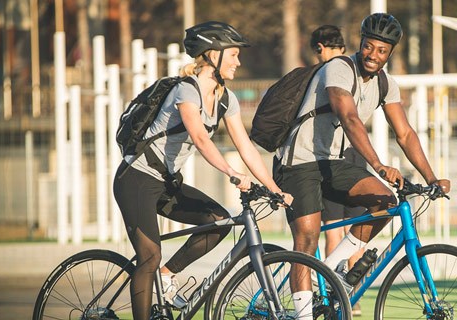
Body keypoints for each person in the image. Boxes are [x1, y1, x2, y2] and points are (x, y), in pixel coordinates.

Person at [274, 13, 451, 319]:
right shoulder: (339, 68)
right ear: (361, 43)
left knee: (385, 201)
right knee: (307, 239)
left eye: (382, 51)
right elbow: (349, 117)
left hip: (330, 162)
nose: (373, 55)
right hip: (298, 162)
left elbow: (405, 133)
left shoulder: (385, 84)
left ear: (390, 53)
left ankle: (331, 271)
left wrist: (433, 177)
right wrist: (379, 165)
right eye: (369, 47)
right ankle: (303, 315)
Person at [113, 21, 292, 320]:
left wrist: (274, 189)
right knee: (149, 257)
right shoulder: (187, 90)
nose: (238, 61)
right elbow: (199, 138)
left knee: (219, 222)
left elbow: (246, 147)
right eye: (233, 54)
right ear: (212, 55)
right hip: (136, 180)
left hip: (167, 183)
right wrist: (231, 173)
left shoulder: (226, 99)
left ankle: (168, 277)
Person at [311, 24, 366, 316]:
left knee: (334, 231)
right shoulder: (355, 72)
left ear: (319, 47)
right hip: (356, 157)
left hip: (329, 161)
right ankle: (352, 298)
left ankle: (335, 294)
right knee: (358, 230)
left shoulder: (322, 75)